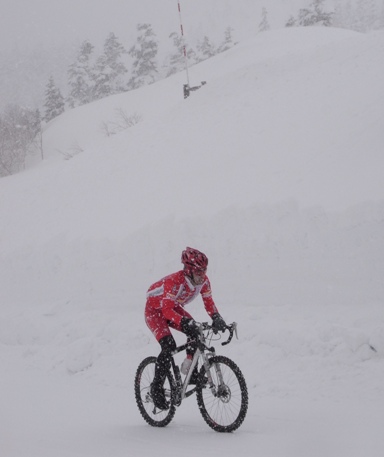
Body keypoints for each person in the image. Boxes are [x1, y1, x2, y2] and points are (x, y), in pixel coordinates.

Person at [145, 247, 227, 410]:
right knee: (168, 346)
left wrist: (217, 318)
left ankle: (191, 372)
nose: (202, 275)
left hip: (172, 307)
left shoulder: (204, 281)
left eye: (204, 270)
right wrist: (184, 322)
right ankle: (156, 389)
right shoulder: (175, 282)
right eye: (198, 271)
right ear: (188, 270)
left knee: (195, 329)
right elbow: (166, 311)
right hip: (155, 312)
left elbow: (208, 302)